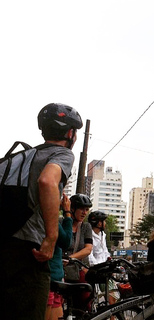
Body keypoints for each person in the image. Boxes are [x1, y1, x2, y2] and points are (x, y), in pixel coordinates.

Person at [0, 103, 82, 320]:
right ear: (70, 133)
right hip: (29, 252)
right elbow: (47, 181)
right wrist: (51, 237)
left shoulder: (23, 156)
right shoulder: (62, 153)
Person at [46, 193, 74, 320]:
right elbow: (66, 241)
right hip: (50, 277)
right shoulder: (48, 217)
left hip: (54, 278)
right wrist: (67, 213)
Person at [65, 193, 93, 310]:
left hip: (78, 270)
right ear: (72, 208)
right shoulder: (63, 223)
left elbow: (88, 248)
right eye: (81, 209)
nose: (84, 213)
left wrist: (71, 258)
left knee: (85, 304)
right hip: (62, 270)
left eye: (86, 210)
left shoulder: (86, 227)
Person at [88, 210, 119, 305]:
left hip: (105, 270)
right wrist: (98, 267)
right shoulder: (89, 235)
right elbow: (89, 254)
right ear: (98, 223)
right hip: (96, 271)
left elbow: (105, 251)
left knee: (114, 298)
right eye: (103, 221)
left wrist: (110, 262)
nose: (105, 223)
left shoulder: (102, 235)